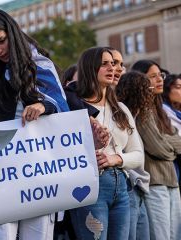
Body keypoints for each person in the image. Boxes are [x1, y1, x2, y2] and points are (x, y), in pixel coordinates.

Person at [0, 8, 70, 240]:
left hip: (39, 170)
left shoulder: (40, 64)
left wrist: (42, 106)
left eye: (1, 41)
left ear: (12, 33)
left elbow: (62, 107)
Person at [68, 47, 143, 240]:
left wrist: (115, 158)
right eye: (104, 64)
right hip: (91, 186)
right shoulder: (71, 107)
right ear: (90, 68)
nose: (112, 68)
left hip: (123, 187)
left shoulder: (121, 108)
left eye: (114, 63)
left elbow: (138, 154)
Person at [131, 60, 181, 240]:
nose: (159, 79)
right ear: (141, 79)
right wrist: (171, 147)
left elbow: (178, 141)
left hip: (172, 181)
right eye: (153, 76)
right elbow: (157, 148)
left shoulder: (161, 110)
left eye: (161, 75)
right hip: (154, 182)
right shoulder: (142, 110)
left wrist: (166, 142)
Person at [115, 71, 152, 240]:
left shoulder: (137, 115)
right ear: (137, 90)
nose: (150, 93)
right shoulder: (120, 111)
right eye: (146, 89)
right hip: (128, 184)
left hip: (139, 186)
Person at [162, 74, 181, 188]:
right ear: (167, 89)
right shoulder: (163, 109)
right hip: (172, 163)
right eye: (178, 87)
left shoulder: (177, 112)